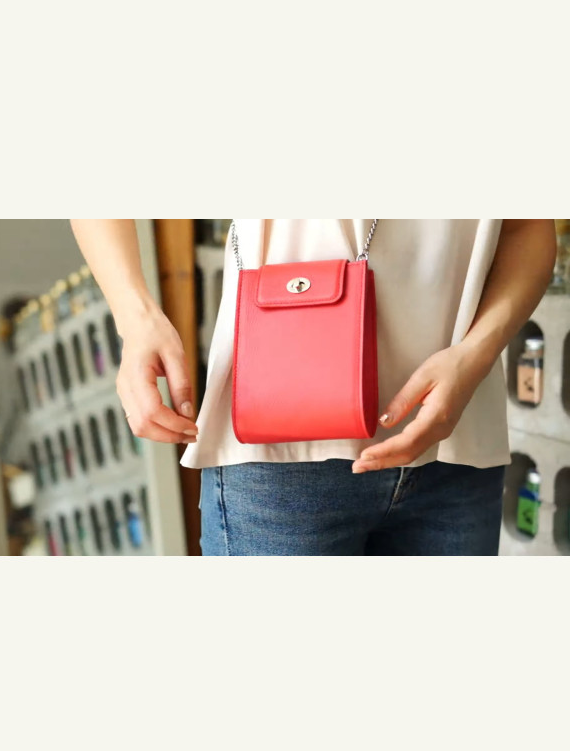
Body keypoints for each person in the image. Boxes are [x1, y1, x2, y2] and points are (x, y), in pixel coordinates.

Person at [69, 219, 557, 556]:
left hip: (459, 449)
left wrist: (475, 354)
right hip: (280, 463)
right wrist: (136, 318)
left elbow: (527, 230)